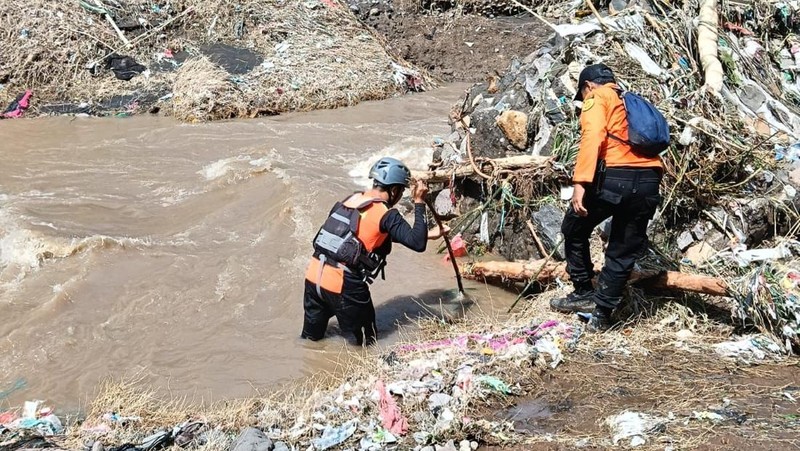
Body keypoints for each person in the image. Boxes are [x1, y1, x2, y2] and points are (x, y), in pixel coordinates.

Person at [550, 63, 663, 332]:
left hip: (615, 178)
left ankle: (582, 292)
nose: (583, 101)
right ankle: (601, 315)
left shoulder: (598, 98)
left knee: (574, 227)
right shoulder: (631, 101)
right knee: (622, 249)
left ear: (588, 86)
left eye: (582, 95)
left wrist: (580, 183)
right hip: (650, 180)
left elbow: (593, 136)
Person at [301, 157, 447, 345]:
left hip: (314, 278)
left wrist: (428, 234)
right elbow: (417, 244)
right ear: (394, 190)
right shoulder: (385, 213)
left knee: (310, 341)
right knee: (364, 344)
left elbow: (359, 235)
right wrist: (419, 202)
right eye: (401, 191)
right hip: (344, 285)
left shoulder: (350, 200)